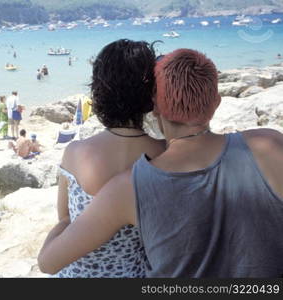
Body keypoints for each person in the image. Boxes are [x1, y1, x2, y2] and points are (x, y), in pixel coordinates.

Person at [38, 49, 283, 278]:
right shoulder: (269, 145)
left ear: (155, 107)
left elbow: (48, 262)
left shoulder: (129, 187)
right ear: (216, 103)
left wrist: (63, 222)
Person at [40, 39, 165, 278]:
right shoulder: (166, 154)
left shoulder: (75, 153)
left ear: (99, 92)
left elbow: (65, 219)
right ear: (150, 94)